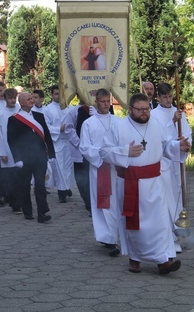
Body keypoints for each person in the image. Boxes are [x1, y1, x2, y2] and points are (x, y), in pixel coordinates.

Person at [100, 93, 184, 275]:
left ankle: (164, 260)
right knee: (135, 224)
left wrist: (179, 147)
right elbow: (104, 152)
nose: (145, 113)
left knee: (161, 221)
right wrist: (125, 151)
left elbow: (167, 145)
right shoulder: (118, 127)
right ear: (130, 109)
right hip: (130, 182)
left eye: (147, 109)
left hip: (154, 181)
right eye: (140, 109)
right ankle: (135, 258)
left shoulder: (156, 124)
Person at [150, 82, 192, 253]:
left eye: (170, 96)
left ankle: (179, 231)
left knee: (179, 195)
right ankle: (170, 236)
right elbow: (159, 138)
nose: (168, 100)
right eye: (165, 97)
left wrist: (186, 142)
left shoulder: (179, 113)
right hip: (165, 163)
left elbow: (187, 132)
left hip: (178, 160)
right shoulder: (154, 115)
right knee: (168, 198)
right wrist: (172, 122)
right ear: (158, 97)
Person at [79, 89, 122, 256]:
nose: (106, 104)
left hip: (116, 168)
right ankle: (108, 239)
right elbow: (84, 147)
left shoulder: (118, 122)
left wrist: (116, 154)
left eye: (108, 101)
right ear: (96, 102)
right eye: (103, 101)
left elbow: (123, 141)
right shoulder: (88, 124)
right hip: (100, 168)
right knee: (103, 204)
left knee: (116, 203)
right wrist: (102, 155)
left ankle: (115, 235)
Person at [7, 92, 56, 223]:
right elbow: (12, 140)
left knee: (40, 186)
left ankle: (42, 212)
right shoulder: (14, 119)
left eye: (32, 98)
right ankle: (27, 211)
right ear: (21, 103)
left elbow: (47, 135)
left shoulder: (39, 116)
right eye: (28, 99)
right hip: (25, 158)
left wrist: (51, 154)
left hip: (40, 156)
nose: (31, 101)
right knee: (25, 186)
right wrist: (17, 159)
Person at [44, 85, 74, 203]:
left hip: (68, 141)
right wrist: (59, 129)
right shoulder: (48, 109)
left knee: (68, 167)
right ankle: (61, 191)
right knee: (60, 167)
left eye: (61, 94)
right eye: (56, 94)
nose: (59, 96)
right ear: (52, 95)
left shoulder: (69, 107)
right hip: (57, 141)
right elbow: (46, 127)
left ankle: (67, 187)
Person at [0, 88, 21, 210]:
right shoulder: (0, 114)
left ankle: (19, 202)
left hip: (20, 149)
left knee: (20, 178)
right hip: (7, 150)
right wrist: (1, 152)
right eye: (10, 98)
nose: (12, 100)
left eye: (14, 97)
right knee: (10, 178)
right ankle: (14, 203)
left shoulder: (20, 111)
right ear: (5, 99)